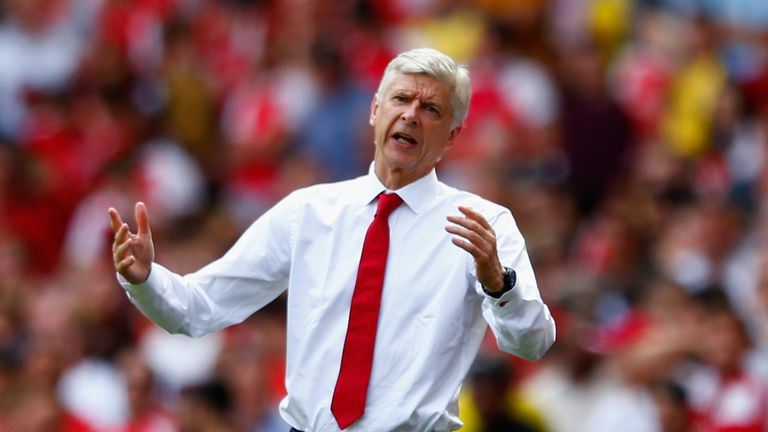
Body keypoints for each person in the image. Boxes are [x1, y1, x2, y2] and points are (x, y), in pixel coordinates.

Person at [109, 47, 556, 432]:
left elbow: (532, 342)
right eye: (401, 99)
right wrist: (146, 279)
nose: (411, 115)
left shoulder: (482, 224)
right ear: (375, 111)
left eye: (431, 109)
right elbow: (198, 307)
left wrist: (499, 282)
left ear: (453, 136)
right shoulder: (307, 212)